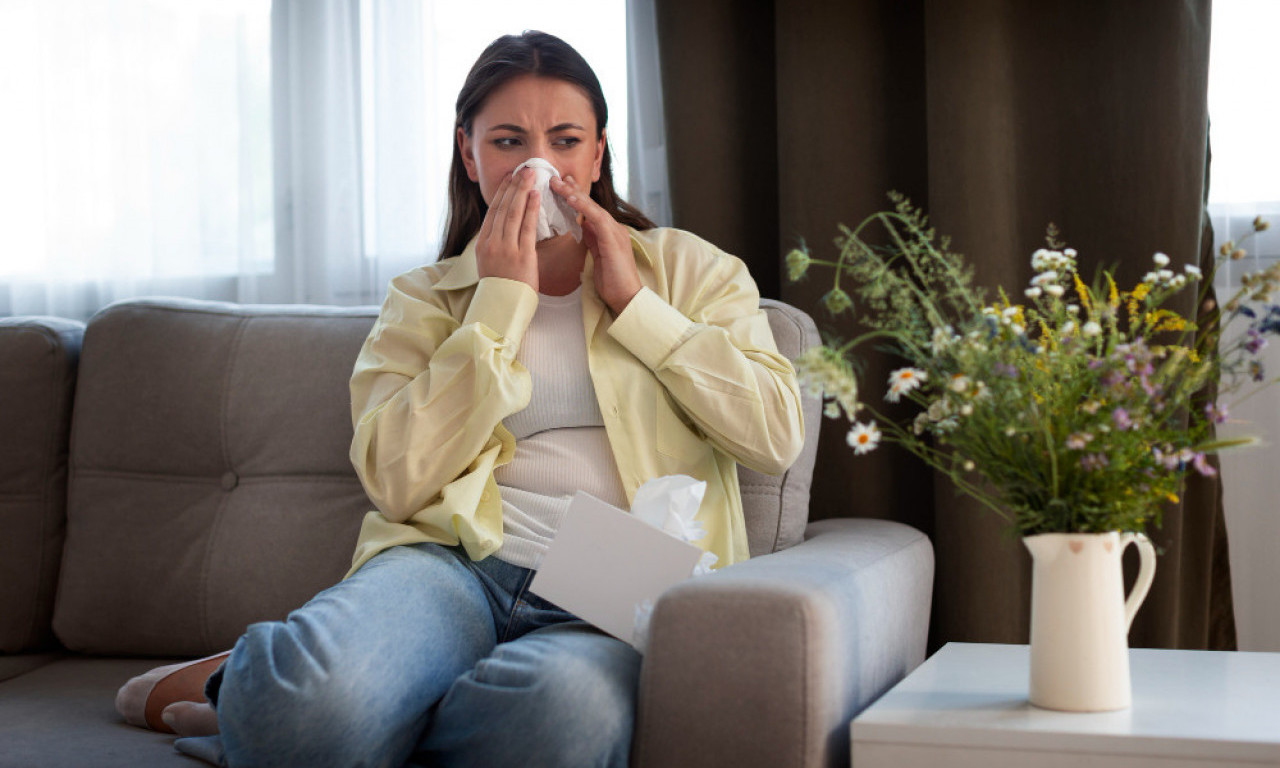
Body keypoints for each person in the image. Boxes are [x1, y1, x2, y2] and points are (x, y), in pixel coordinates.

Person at [116, 29, 804, 768]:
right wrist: (499, 307)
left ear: (597, 156)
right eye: (508, 141)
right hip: (453, 566)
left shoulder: (691, 272)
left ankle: (346, 709)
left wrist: (636, 305)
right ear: (470, 155)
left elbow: (772, 434)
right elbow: (395, 479)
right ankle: (307, 698)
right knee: (306, 713)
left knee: (557, 720)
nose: (537, 165)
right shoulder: (423, 299)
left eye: (565, 140)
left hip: (616, 594)